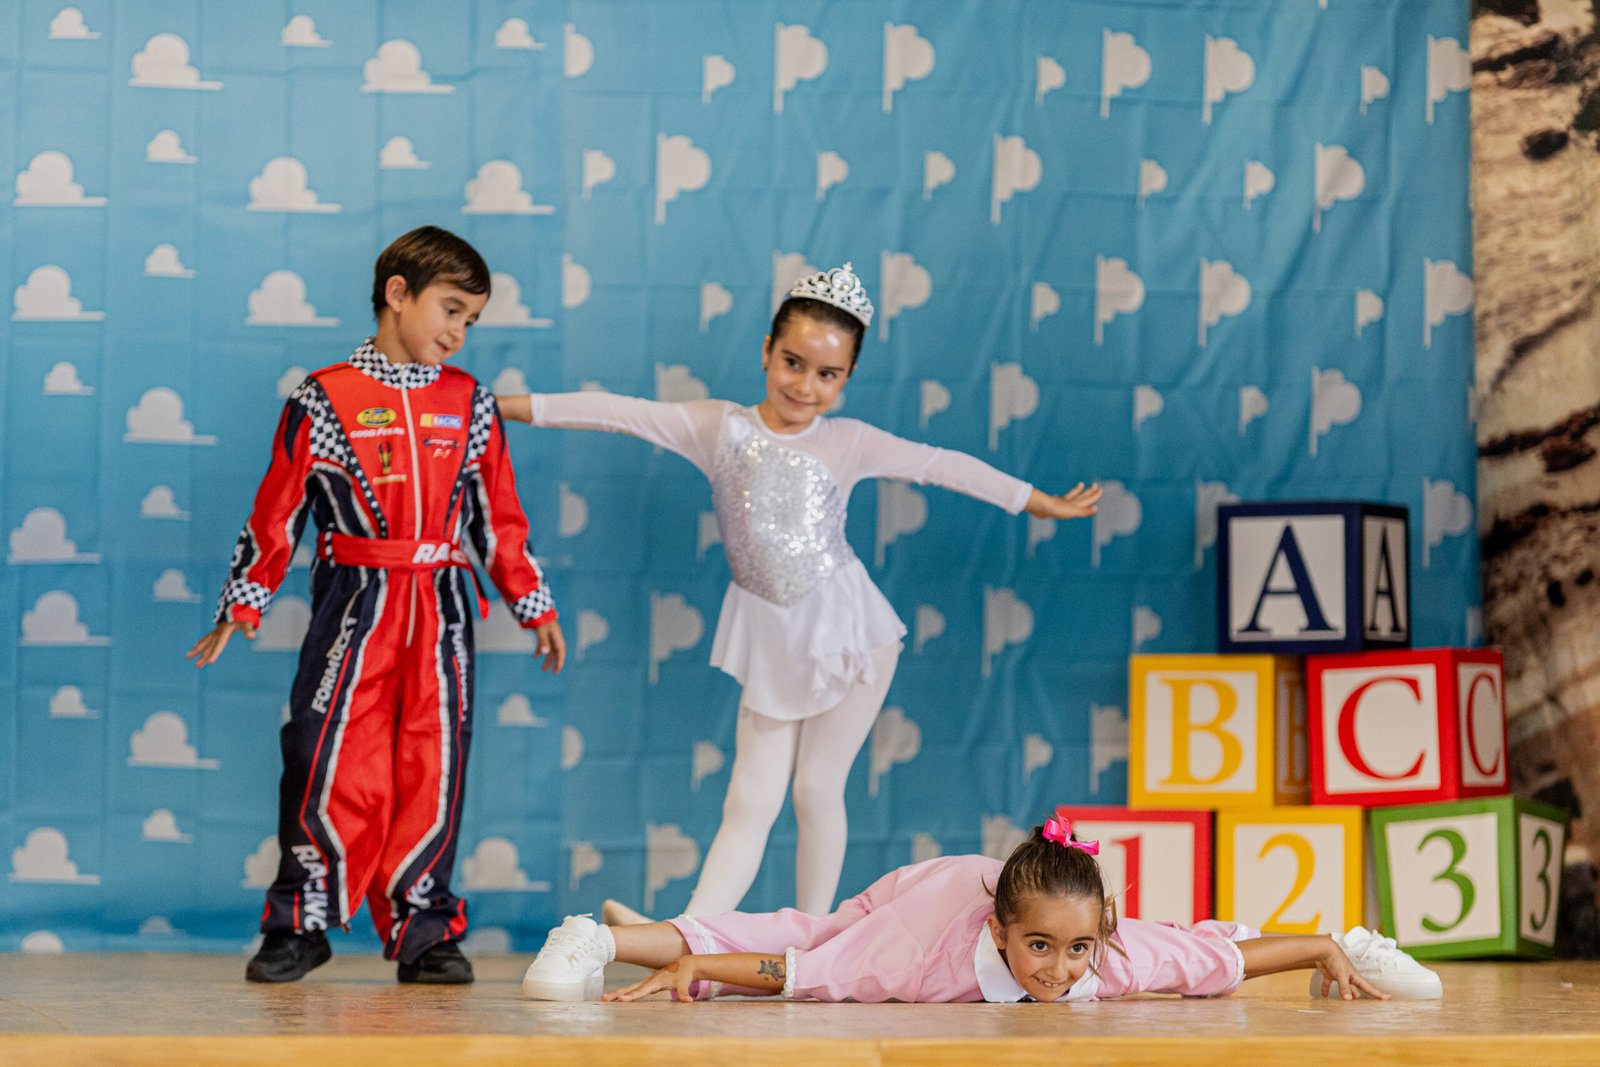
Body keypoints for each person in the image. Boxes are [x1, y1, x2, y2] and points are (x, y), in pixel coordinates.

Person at [497, 263, 1102, 918]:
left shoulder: (847, 441)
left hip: (850, 636)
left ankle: (813, 938)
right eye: (792, 363)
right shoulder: (719, 428)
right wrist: (494, 406)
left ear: (847, 377)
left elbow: (938, 464)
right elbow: (621, 414)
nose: (805, 386)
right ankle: (691, 937)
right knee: (750, 797)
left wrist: (1035, 500)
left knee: (816, 788)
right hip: (770, 637)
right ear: (766, 351)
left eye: (827, 375)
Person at [188, 226, 566, 985]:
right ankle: (301, 923)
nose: (458, 333)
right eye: (450, 310)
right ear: (398, 293)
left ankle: (425, 929)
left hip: (441, 604)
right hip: (354, 599)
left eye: (471, 320)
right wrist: (244, 602)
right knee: (326, 753)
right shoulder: (324, 396)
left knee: (435, 758)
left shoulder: (471, 403)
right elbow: (279, 508)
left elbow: (498, 517)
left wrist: (532, 602)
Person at [519, 808, 1444, 1003]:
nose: (1059, 970)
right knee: (819, 932)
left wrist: (1325, 946)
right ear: (999, 932)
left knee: (1185, 948)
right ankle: (598, 936)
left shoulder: (1109, 955)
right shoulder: (913, 956)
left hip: (1045, 888)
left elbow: (1222, 959)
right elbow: (799, 970)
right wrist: (694, 965)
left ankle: (1359, 937)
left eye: (1074, 952)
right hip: (920, 897)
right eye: (1038, 948)